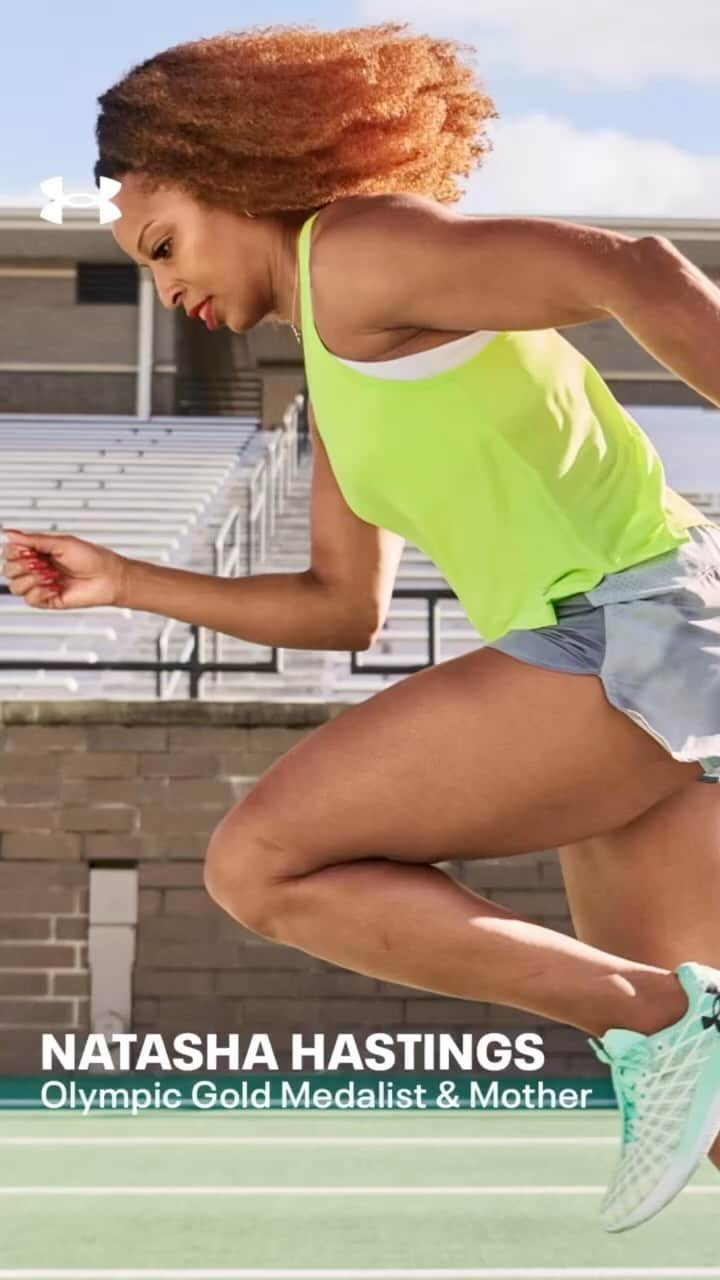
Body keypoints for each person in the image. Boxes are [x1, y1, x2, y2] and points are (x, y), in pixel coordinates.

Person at [4, 21, 720, 1233]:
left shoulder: (362, 252)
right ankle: (664, 1016)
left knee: (262, 860)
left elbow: (633, 266)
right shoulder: (335, 373)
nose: (169, 287)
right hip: (626, 666)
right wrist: (125, 580)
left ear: (237, 168)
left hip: (630, 632)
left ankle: (653, 1011)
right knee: (711, 1112)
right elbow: (344, 607)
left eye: (165, 243)